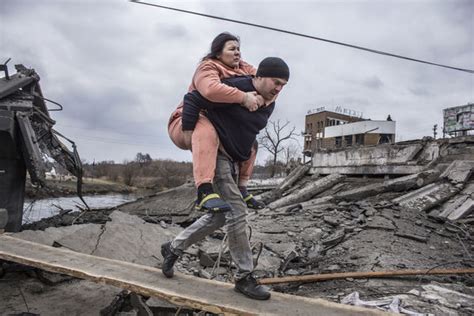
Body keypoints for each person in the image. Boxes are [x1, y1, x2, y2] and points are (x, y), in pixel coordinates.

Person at [162, 57, 290, 300]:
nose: (279, 88)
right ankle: (244, 276)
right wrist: (191, 133)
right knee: (237, 212)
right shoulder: (239, 86)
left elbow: (246, 132)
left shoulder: (269, 102)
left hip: (233, 159)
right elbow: (194, 98)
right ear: (259, 77)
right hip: (216, 153)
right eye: (276, 82)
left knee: (220, 216)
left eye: (284, 84)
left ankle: (173, 247)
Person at [168, 32, 265, 213]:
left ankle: (243, 188)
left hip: (219, 125)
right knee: (206, 129)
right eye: (232, 49)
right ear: (218, 53)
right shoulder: (207, 67)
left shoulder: (242, 68)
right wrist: (243, 97)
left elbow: (263, 78)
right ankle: (204, 191)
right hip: (187, 120)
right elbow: (210, 90)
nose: (237, 52)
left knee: (252, 144)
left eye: (239, 49)